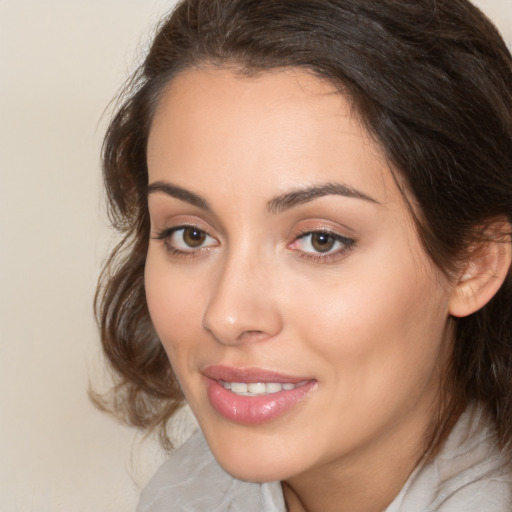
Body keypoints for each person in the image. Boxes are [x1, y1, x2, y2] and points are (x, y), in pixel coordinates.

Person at [95, 0, 512, 510]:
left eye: (321, 240)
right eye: (191, 235)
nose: (226, 316)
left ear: (475, 263)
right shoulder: (184, 492)